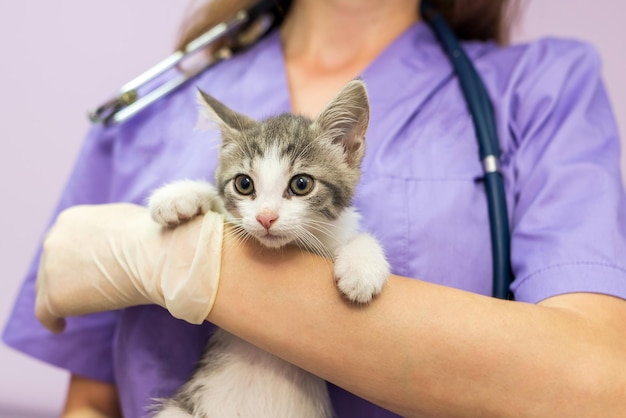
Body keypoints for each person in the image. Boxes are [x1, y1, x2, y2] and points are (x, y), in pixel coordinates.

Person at [4, 0, 626, 416]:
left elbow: (598, 385)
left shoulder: (543, 88)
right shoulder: (155, 105)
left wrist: (185, 262)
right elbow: (91, 404)